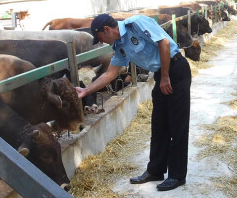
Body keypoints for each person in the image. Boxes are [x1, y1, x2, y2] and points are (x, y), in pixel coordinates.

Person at [75, 13, 191, 191]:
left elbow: (164, 43)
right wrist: (86, 90)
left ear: (107, 30)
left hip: (175, 69)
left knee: (177, 125)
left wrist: (166, 76)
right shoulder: (119, 45)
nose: (103, 42)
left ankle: (177, 175)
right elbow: (110, 73)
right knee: (159, 125)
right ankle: (156, 170)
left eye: (101, 38)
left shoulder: (136, 24)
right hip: (161, 74)